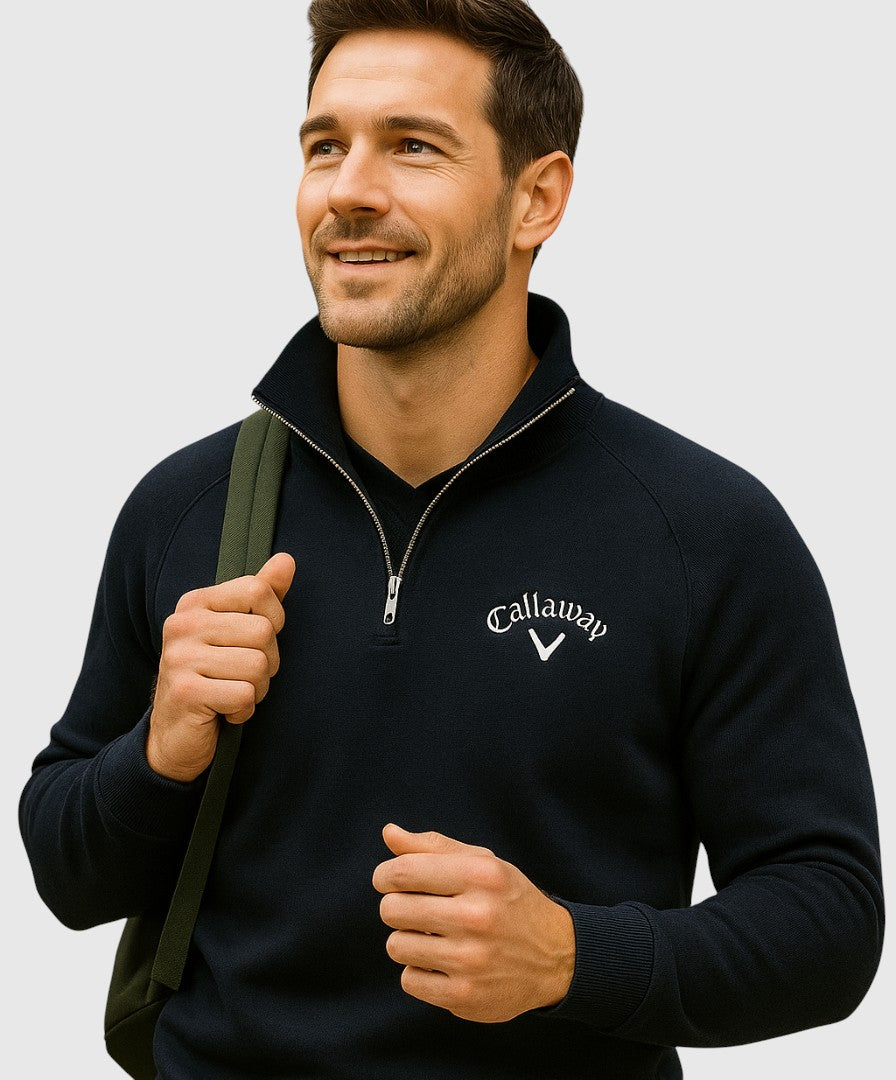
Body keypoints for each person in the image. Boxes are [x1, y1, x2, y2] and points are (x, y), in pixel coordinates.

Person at [19, 1, 883, 1077]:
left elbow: (828, 919)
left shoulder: (703, 532)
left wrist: (572, 957)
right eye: (324, 146)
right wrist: (157, 752)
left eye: (412, 146)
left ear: (537, 198)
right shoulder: (188, 508)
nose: (348, 190)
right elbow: (66, 873)